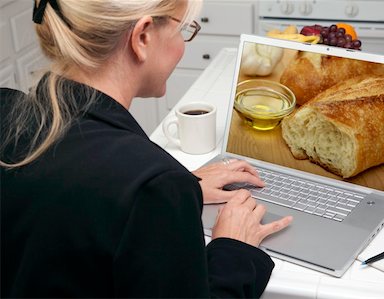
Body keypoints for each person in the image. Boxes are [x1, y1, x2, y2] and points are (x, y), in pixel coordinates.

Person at [0, 0, 292, 298]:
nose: (182, 45)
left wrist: (173, 194)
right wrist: (234, 248)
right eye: (183, 30)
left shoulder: (5, 108)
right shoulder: (152, 185)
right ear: (142, 37)